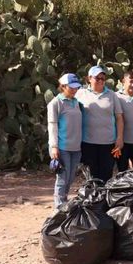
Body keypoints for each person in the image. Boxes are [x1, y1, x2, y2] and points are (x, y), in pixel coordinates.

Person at [75, 66, 124, 183]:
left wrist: (120, 137)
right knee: (90, 176)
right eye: (97, 78)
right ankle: (92, 199)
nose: (101, 80)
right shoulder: (80, 93)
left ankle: (103, 200)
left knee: (106, 174)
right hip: (87, 142)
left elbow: (119, 117)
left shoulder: (112, 95)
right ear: (89, 78)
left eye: (103, 78)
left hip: (108, 143)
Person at [47, 73, 83, 208]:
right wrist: (54, 146)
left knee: (70, 177)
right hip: (62, 147)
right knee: (62, 178)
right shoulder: (56, 103)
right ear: (63, 86)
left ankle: (64, 202)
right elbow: (52, 125)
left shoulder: (76, 102)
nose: (74, 90)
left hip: (76, 147)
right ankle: (59, 207)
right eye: (71, 87)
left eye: (76, 87)